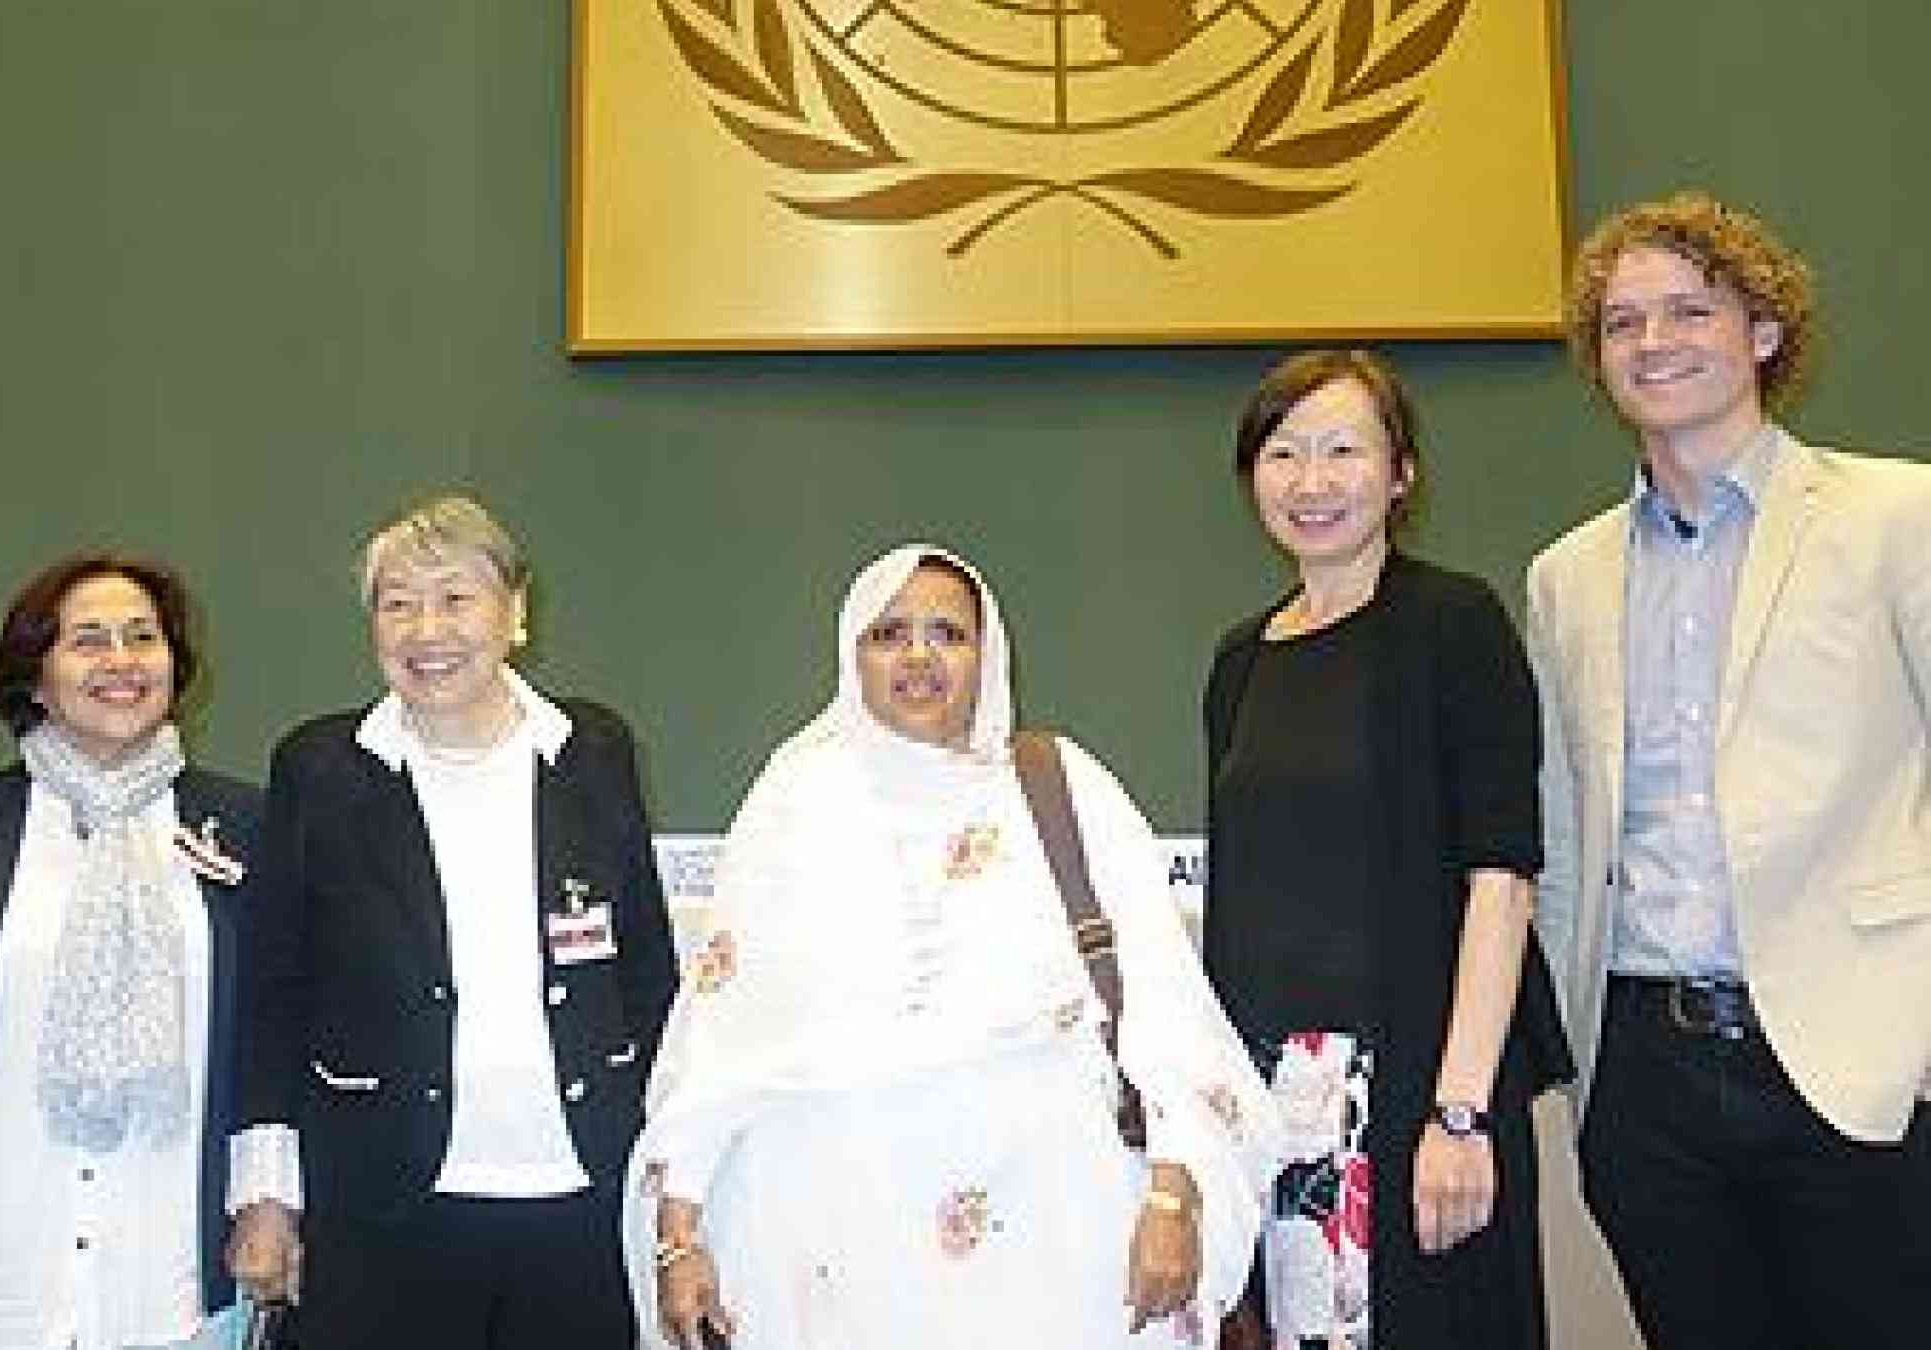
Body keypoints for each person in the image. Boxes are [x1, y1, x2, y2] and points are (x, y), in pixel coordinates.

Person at [629, 544, 1275, 1350]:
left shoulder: (1059, 783)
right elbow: (720, 1035)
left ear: (988, 651)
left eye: (948, 633)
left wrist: (1175, 1199)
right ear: (851, 654)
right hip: (827, 1244)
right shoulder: (795, 802)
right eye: (888, 633)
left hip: (1052, 1238)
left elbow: (1159, 1000)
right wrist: (679, 1237)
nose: (919, 656)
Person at [1526, 190, 1931, 1350]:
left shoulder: (1899, 516)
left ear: (1762, 331)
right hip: (1646, 1073)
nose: (1653, 343)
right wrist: (1581, 1065)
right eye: (1621, 323)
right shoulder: (1568, 576)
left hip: (1860, 1060)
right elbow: (1566, 832)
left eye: (1688, 311)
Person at [231, 493, 677, 1349]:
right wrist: (265, 1195)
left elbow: (648, 977)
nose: (426, 630)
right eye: (396, 604)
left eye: (455, 598)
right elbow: (274, 995)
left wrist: (677, 1181)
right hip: (382, 1202)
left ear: (516, 613)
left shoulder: (592, 751)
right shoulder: (319, 767)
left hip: (578, 1195)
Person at [1202, 349, 1571, 1350]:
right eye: (1283, 454)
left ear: (1400, 472)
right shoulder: (1242, 659)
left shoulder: (1453, 624)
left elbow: (1501, 879)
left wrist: (1458, 1117)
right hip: (1278, 1100)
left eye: (1342, 450)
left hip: (1415, 1089)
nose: (1311, 482)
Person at [0, 556, 269, 1349]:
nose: (121, 660)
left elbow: (269, 1044)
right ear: (34, 678)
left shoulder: (248, 828)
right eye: (88, 640)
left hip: (168, 1278)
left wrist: (267, 1204)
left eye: (142, 637)